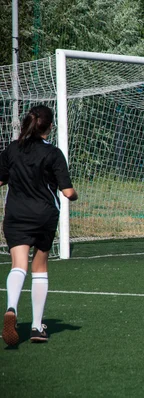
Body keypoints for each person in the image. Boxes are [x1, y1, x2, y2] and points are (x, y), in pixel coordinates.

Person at [1, 105, 78, 346]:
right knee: (40, 266)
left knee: (18, 264)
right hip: (43, 215)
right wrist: (75, 196)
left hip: (15, 214)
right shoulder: (53, 153)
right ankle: (36, 326)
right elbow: (67, 192)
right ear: (50, 127)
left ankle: (11, 307)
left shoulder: (12, 149)